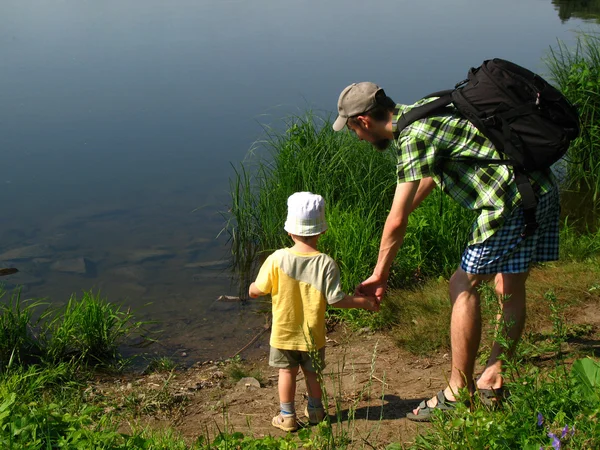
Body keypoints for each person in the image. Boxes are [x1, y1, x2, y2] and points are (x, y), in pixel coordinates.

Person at [332, 82, 560, 421]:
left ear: (363, 121)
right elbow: (430, 175)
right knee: (508, 285)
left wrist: (380, 272)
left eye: (353, 130)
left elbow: (394, 220)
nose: (357, 138)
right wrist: (407, 210)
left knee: (462, 284)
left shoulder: (410, 138)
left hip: (508, 204)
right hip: (539, 188)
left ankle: (459, 391)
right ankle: (494, 375)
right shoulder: (427, 108)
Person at [249, 191, 380, 431]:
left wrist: (252, 289)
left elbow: (258, 290)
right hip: (313, 336)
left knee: (286, 373)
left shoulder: (277, 258)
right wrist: (365, 303)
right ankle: (316, 412)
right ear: (321, 231)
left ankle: (287, 416)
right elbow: (336, 300)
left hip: (283, 336)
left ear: (289, 230)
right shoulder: (326, 263)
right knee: (312, 375)